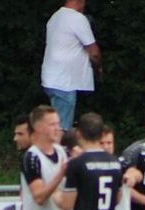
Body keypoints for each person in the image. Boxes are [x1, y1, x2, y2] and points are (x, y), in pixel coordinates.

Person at [41, 0, 102, 130]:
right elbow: (94, 52)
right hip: (65, 82)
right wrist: (98, 67)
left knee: (55, 123)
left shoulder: (55, 17)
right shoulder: (77, 18)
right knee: (61, 129)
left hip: (52, 78)